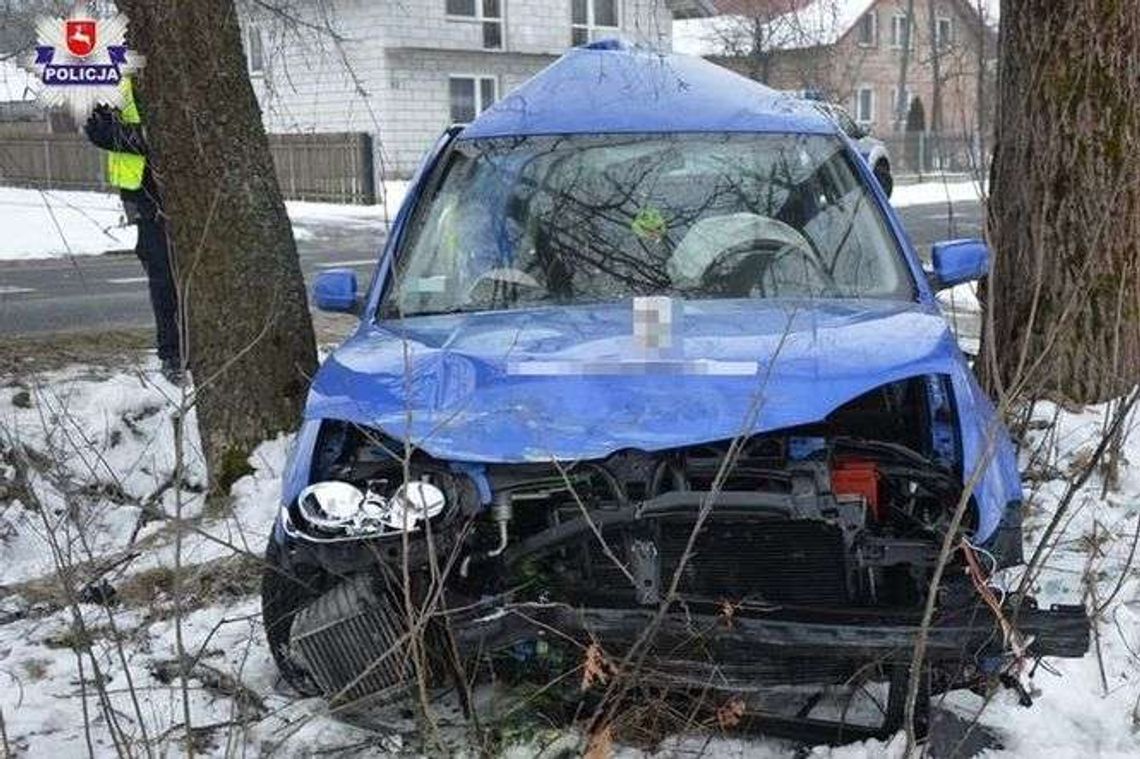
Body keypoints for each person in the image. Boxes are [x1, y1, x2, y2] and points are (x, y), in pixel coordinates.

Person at [84, 76, 183, 383]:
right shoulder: (116, 83)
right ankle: (172, 355)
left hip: (187, 189)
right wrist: (148, 138)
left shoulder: (181, 71)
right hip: (144, 194)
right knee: (163, 276)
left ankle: (195, 347)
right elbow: (97, 129)